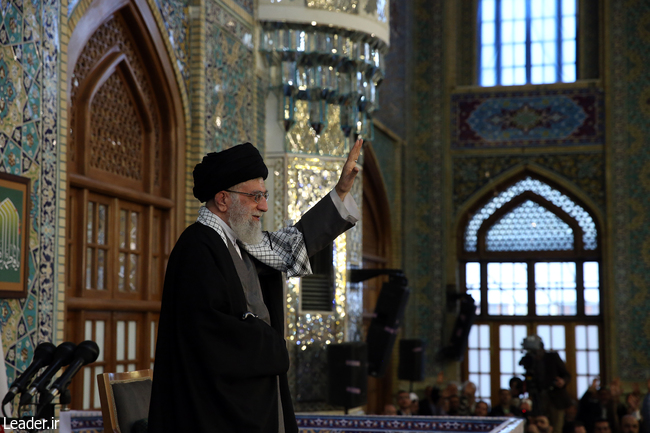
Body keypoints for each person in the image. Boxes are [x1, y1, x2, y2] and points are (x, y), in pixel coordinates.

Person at [148, 140, 363, 433]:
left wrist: (340, 192)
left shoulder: (242, 242)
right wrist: (273, 344)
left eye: (264, 196)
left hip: (246, 401)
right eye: (255, 196)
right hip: (213, 411)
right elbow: (209, 334)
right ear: (223, 200)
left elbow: (296, 242)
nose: (263, 206)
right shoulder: (197, 247)